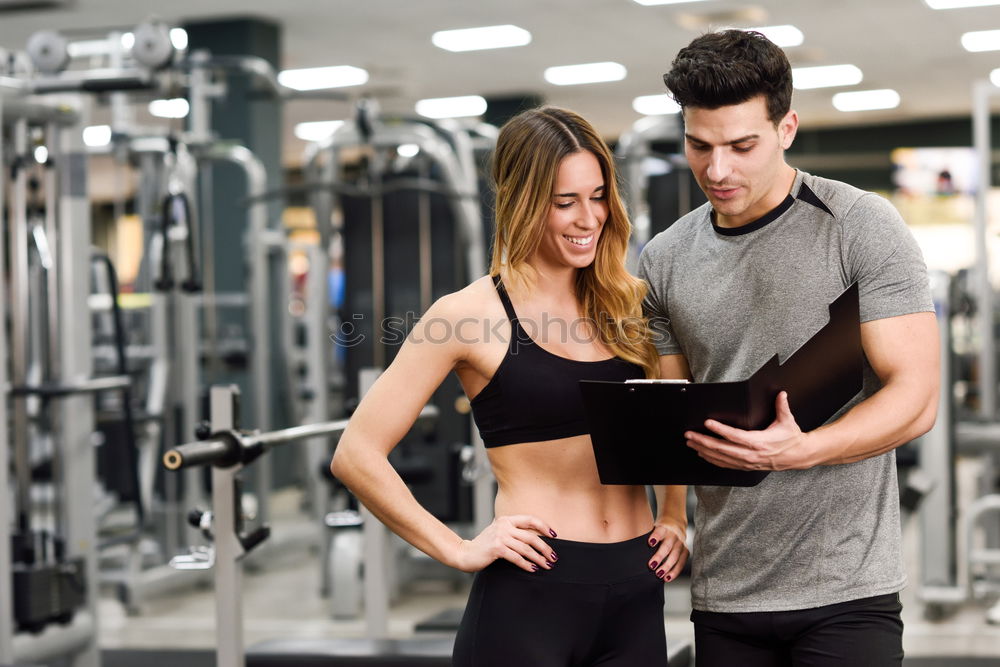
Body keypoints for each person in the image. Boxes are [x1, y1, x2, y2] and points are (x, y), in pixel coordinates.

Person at [331, 106, 689, 666]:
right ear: (522, 203)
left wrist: (674, 513)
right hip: (533, 592)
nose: (588, 218)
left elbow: (675, 413)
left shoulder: (632, 302)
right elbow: (356, 454)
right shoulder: (468, 315)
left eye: (597, 197)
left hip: (637, 588)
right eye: (565, 202)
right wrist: (457, 547)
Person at [638, 30, 940, 666]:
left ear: (786, 128)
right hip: (725, 594)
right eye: (699, 146)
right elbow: (673, 409)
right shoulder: (664, 258)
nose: (717, 171)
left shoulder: (859, 226)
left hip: (846, 592)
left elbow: (915, 398)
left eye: (742, 146)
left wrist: (803, 450)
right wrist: (670, 514)